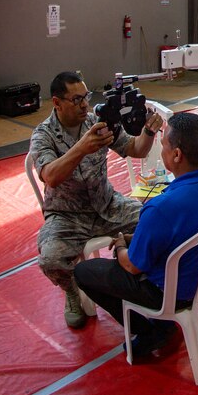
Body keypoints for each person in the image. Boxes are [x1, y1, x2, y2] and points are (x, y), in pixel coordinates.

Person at [74, 113, 198, 357]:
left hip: (172, 295)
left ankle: (155, 329)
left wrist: (120, 245)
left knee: (84, 271)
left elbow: (131, 266)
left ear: (177, 155)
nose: (161, 152)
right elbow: (184, 231)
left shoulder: (161, 208)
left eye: (163, 146)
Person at [29, 71, 163, 329]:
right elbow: (50, 176)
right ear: (57, 102)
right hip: (68, 216)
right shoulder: (43, 135)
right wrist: (82, 147)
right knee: (50, 259)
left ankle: (150, 286)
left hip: (108, 205)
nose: (84, 105)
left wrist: (148, 130)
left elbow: (135, 149)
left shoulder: (99, 122)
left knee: (157, 224)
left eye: (86, 97)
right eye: (76, 99)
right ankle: (72, 293)